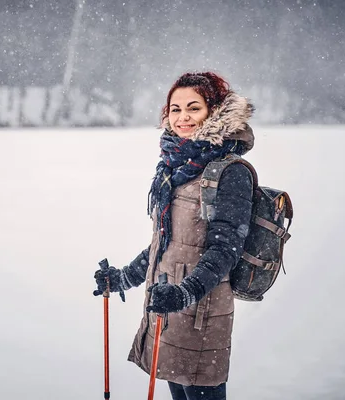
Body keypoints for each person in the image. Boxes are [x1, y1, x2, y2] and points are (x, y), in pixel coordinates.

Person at [93, 71, 256, 400]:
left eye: (193, 108)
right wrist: (122, 278)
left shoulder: (230, 171)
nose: (183, 117)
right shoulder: (173, 167)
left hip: (201, 313)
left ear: (214, 112)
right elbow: (167, 244)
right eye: (175, 108)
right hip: (166, 307)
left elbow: (226, 250)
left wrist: (185, 294)